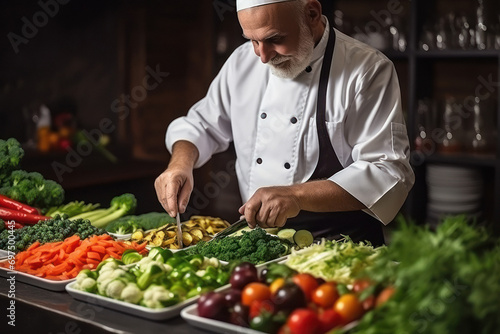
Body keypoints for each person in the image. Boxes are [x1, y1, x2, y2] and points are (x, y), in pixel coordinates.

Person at [154, 0, 415, 246]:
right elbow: (201, 124)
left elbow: (387, 171)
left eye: (274, 39)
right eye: (253, 41)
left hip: (342, 247)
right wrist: (179, 165)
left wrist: (295, 196)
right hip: (260, 245)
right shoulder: (242, 62)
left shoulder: (366, 69)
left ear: (311, 14)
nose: (263, 57)